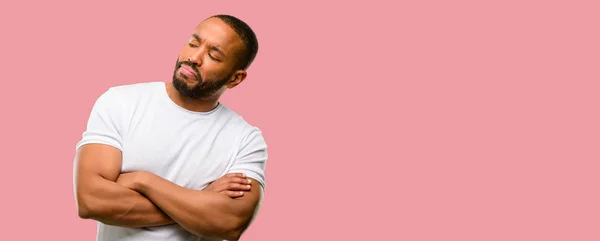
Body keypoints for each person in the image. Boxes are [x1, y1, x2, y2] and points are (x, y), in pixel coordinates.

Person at [72, 14, 267, 241]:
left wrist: (143, 180)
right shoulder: (120, 102)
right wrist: (199, 200)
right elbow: (91, 201)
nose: (194, 57)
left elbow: (229, 223)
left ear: (235, 78)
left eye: (213, 55)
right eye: (193, 43)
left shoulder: (246, 139)